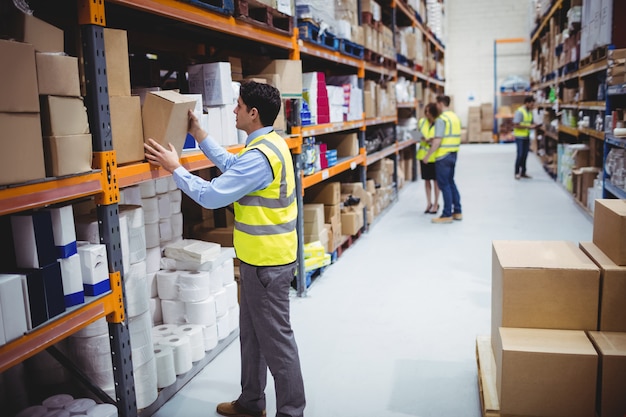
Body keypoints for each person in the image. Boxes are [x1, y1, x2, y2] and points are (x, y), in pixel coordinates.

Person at [144, 81, 306, 417]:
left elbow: (211, 195)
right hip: (256, 260)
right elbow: (234, 168)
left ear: (253, 113)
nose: (234, 110)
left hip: (267, 265)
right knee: (252, 337)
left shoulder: (260, 157)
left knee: (277, 344)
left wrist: (175, 167)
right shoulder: (267, 145)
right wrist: (201, 135)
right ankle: (251, 402)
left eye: (238, 105)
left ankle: (292, 411)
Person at [421, 95, 462, 224]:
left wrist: (428, 155)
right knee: (451, 183)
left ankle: (447, 214)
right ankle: (457, 211)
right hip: (453, 153)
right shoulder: (454, 117)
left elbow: (438, 140)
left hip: (443, 156)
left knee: (444, 185)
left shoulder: (441, 119)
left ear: (440, 104)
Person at [416, 103, 441, 214]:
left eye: (428, 112)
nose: (426, 114)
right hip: (423, 156)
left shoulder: (439, 123)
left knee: (436, 182)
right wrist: (420, 138)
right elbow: (416, 135)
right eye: (425, 111)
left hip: (434, 156)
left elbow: (440, 139)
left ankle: (436, 204)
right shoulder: (422, 122)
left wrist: (432, 140)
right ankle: (428, 203)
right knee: (426, 181)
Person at [513, 96, 537, 180]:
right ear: (526, 103)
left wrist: (535, 125)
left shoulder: (530, 112)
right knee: (520, 155)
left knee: (525, 155)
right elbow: (516, 124)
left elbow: (531, 122)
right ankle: (516, 173)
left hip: (526, 136)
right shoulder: (520, 111)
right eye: (531, 104)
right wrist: (529, 126)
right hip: (520, 137)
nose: (532, 106)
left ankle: (523, 172)